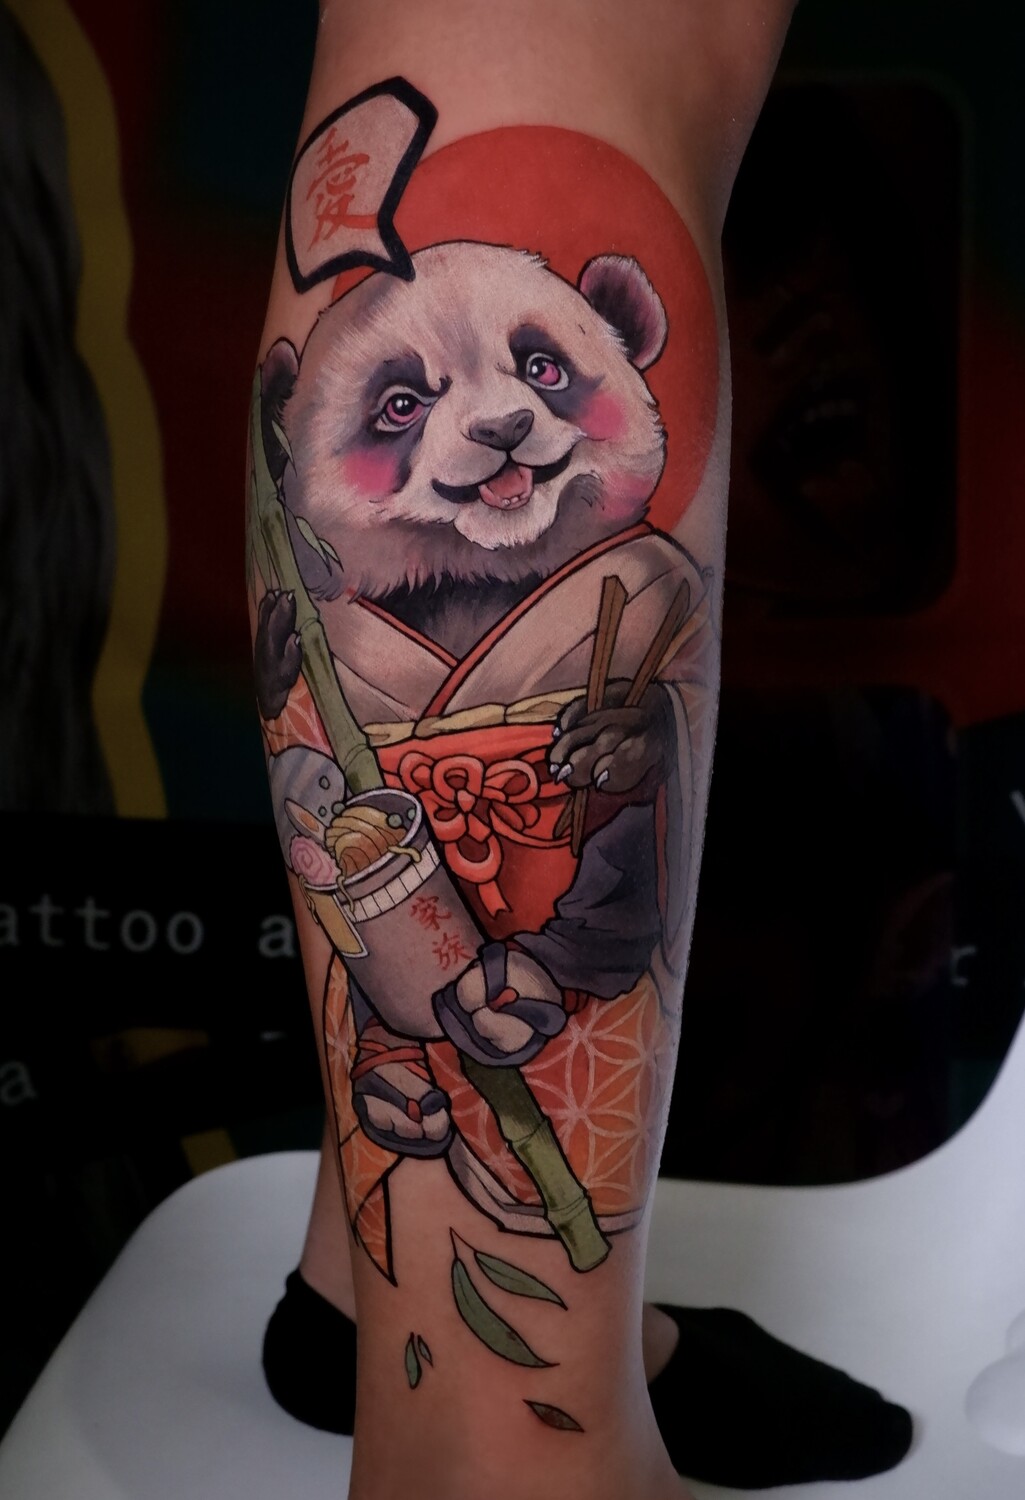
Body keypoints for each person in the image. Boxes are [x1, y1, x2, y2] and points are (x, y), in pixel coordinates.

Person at [248, 4, 911, 1496]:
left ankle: (383, 1283)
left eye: (544, 369)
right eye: (407, 400)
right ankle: (502, 1451)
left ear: (622, 328)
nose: (492, 421)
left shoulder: (621, 599)